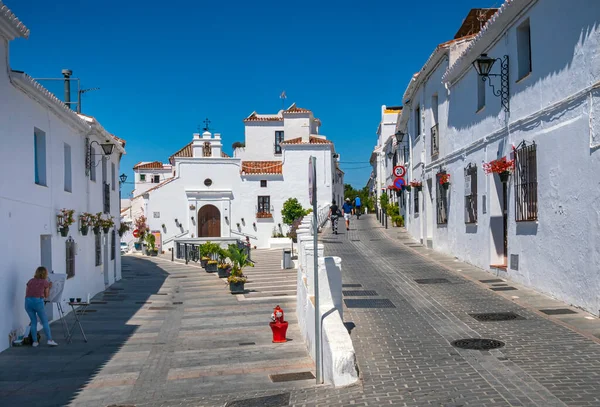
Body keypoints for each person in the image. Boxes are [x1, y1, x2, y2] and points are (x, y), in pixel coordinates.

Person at [25, 266, 58, 347]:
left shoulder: (30, 281)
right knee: (45, 321)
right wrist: (49, 288)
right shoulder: (45, 282)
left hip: (27, 302)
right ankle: (49, 340)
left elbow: (27, 292)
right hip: (38, 302)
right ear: (45, 273)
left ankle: (35, 342)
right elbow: (46, 295)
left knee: (33, 322)